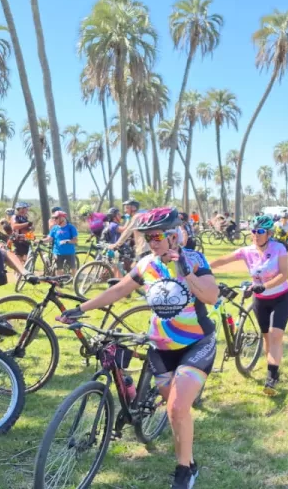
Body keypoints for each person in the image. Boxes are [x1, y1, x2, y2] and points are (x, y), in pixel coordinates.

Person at [58, 208, 218, 489]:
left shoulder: (194, 259)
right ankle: (187, 456)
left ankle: (185, 469)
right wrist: (80, 309)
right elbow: (118, 290)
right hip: (161, 347)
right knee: (173, 410)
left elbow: (211, 295)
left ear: (173, 236)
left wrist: (184, 270)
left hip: (196, 344)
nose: (151, 242)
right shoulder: (146, 264)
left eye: (157, 236)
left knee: (177, 408)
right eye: (147, 237)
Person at [210, 215, 288, 396]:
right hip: (260, 300)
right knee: (267, 338)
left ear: (269, 234)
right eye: (253, 231)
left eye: (260, 231)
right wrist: (202, 267)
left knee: (275, 335)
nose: (256, 234)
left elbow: (284, 274)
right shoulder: (247, 251)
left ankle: (271, 378)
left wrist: (265, 286)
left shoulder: (278, 248)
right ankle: (273, 369)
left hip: (281, 298)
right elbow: (224, 260)